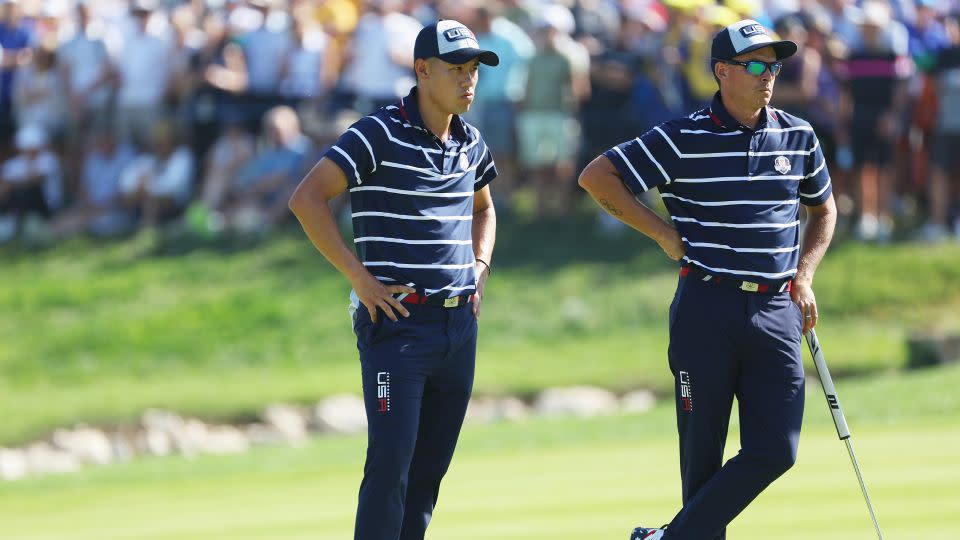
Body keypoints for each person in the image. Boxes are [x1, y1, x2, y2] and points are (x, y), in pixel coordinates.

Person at [578, 19, 836, 540]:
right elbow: (597, 177)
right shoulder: (682, 136)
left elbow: (823, 209)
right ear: (722, 71)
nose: (768, 75)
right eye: (755, 65)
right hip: (706, 309)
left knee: (776, 449)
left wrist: (805, 276)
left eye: (775, 64)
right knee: (701, 460)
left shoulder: (798, 134)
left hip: (775, 310)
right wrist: (661, 234)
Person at [288, 19, 498, 540]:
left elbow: (485, 210)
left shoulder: (471, 141)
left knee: (427, 476)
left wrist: (480, 267)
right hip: (398, 326)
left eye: (473, 70)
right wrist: (359, 278)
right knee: (390, 469)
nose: (468, 80)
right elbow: (307, 199)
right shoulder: (378, 131)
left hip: (458, 328)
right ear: (423, 70)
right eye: (457, 69)